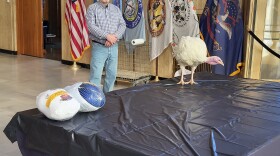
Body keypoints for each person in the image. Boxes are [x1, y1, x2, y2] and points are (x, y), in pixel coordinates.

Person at [86, 0, 126, 93]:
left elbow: (122, 25)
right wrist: (107, 36)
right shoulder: (92, 8)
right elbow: (91, 26)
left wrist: (114, 37)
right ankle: (94, 99)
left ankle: (108, 96)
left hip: (113, 47)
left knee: (112, 74)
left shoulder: (116, 9)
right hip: (99, 47)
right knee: (96, 75)